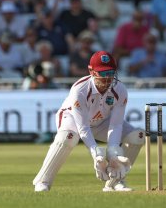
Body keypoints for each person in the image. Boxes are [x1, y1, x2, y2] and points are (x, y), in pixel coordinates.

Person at [33, 51, 144, 192]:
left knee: (137, 136)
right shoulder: (80, 90)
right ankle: (43, 181)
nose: (107, 79)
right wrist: (96, 153)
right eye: (102, 74)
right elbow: (83, 127)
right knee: (68, 138)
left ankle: (115, 182)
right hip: (72, 118)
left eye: (110, 73)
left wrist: (113, 153)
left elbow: (116, 124)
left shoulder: (120, 89)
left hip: (102, 121)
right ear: (91, 71)